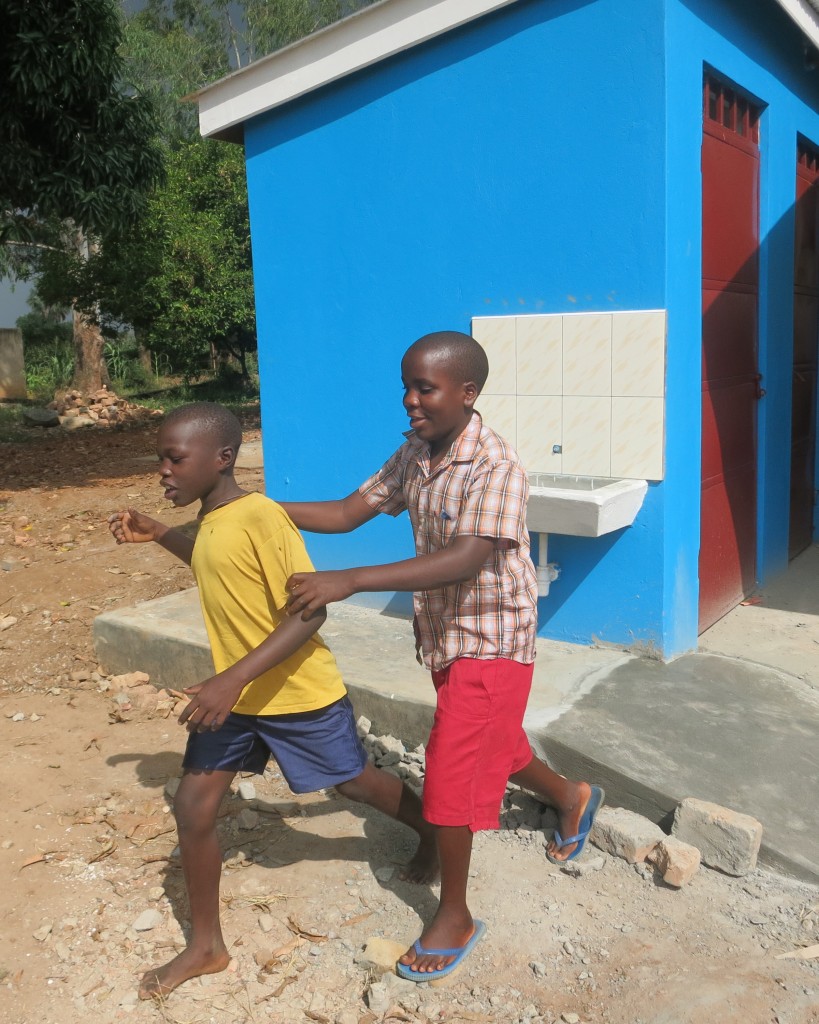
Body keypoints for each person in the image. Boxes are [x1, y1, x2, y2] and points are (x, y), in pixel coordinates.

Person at [281, 331, 604, 982]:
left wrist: (350, 581)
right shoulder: (416, 453)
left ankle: (452, 914)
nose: (410, 401)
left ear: (467, 392)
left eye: (423, 388)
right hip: (445, 633)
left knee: (452, 770)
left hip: (491, 636)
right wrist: (261, 509)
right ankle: (572, 796)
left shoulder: (494, 466)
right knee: (492, 742)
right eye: (405, 386)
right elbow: (349, 511)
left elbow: (465, 557)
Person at [108, 402, 437, 1000]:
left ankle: (433, 832)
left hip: (294, 691)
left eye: (175, 459)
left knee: (354, 784)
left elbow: (310, 612)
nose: (163, 471)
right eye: (161, 458)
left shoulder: (260, 516)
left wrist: (230, 679)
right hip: (235, 693)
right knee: (194, 805)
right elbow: (215, 566)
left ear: (222, 458)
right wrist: (160, 534)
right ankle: (206, 946)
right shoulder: (214, 517)